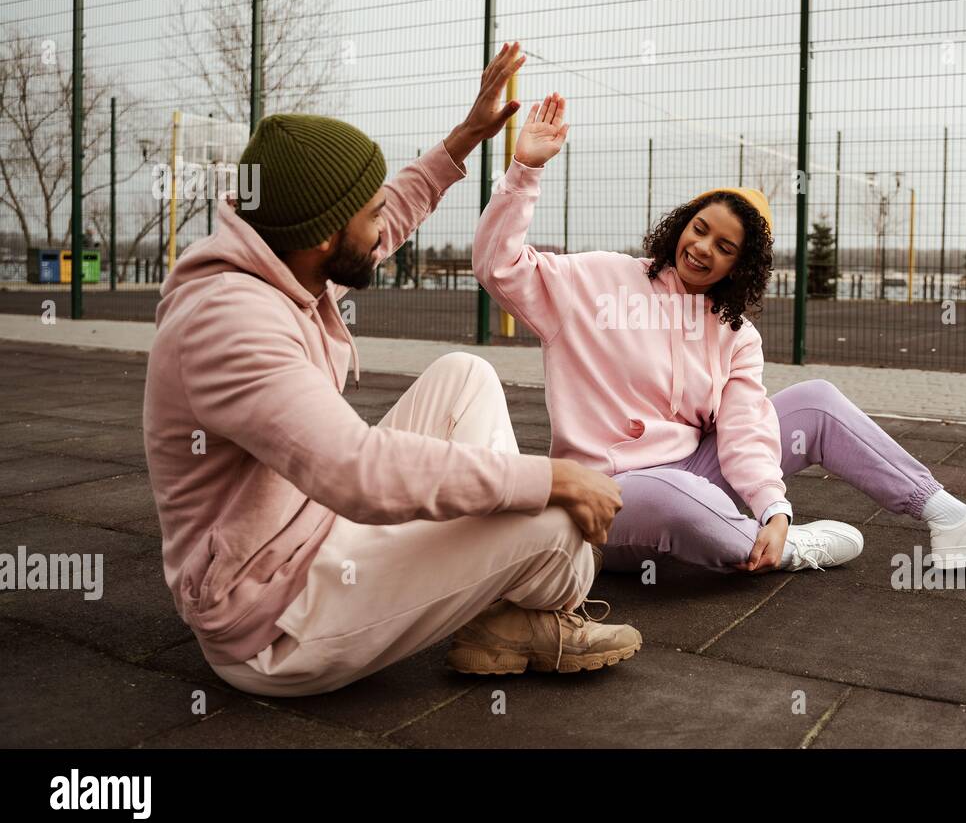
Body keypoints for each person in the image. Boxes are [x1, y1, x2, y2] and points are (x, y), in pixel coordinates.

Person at [142, 43, 642, 697]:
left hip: (314, 524)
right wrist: (551, 477)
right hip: (274, 619)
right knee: (558, 528)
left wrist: (466, 137)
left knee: (465, 375)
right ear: (323, 236)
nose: (385, 228)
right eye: (370, 215)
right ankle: (523, 611)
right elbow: (360, 471)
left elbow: (391, 212)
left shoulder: (279, 253)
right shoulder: (232, 325)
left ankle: (502, 611)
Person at [474, 92, 966, 576]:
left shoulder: (735, 334)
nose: (702, 248)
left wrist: (773, 505)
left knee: (817, 402)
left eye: (724, 247)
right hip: (614, 495)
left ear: (739, 267)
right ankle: (788, 548)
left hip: (697, 472)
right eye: (699, 229)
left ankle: (949, 519)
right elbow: (499, 266)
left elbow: (748, 428)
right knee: (674, 498)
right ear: (681, 225)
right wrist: (526, 170)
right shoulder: (599, 280)